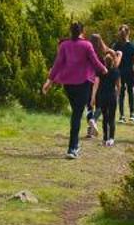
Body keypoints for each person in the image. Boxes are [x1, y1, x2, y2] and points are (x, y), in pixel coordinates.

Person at [41, 21, 108, 159]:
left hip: (68, 84)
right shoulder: (87, 45)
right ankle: (72, 148)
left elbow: (57, 64)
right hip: (83, 83)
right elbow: (95, 61)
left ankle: (74, 145)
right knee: (77, 114)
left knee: (76, 112)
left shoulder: (64, 45)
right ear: (83, 31)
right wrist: (104, 69)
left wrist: (49, 81)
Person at [87, 32, 118, 145]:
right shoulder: (106, 51)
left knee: (94, 105)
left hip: (93, 79)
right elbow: (115, 63)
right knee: (106, 111)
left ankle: (91, 128)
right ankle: (94, 120)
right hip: (107, 83)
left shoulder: (90, 52)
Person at [111, 23, 134, 125]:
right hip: (129, 72)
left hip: (119, 72)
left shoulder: (115, 45)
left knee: (120, 93)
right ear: (129, 33)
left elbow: (113, 61)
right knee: (130, 92)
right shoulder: (133, 46)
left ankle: (121, 115)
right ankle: (132, 113)